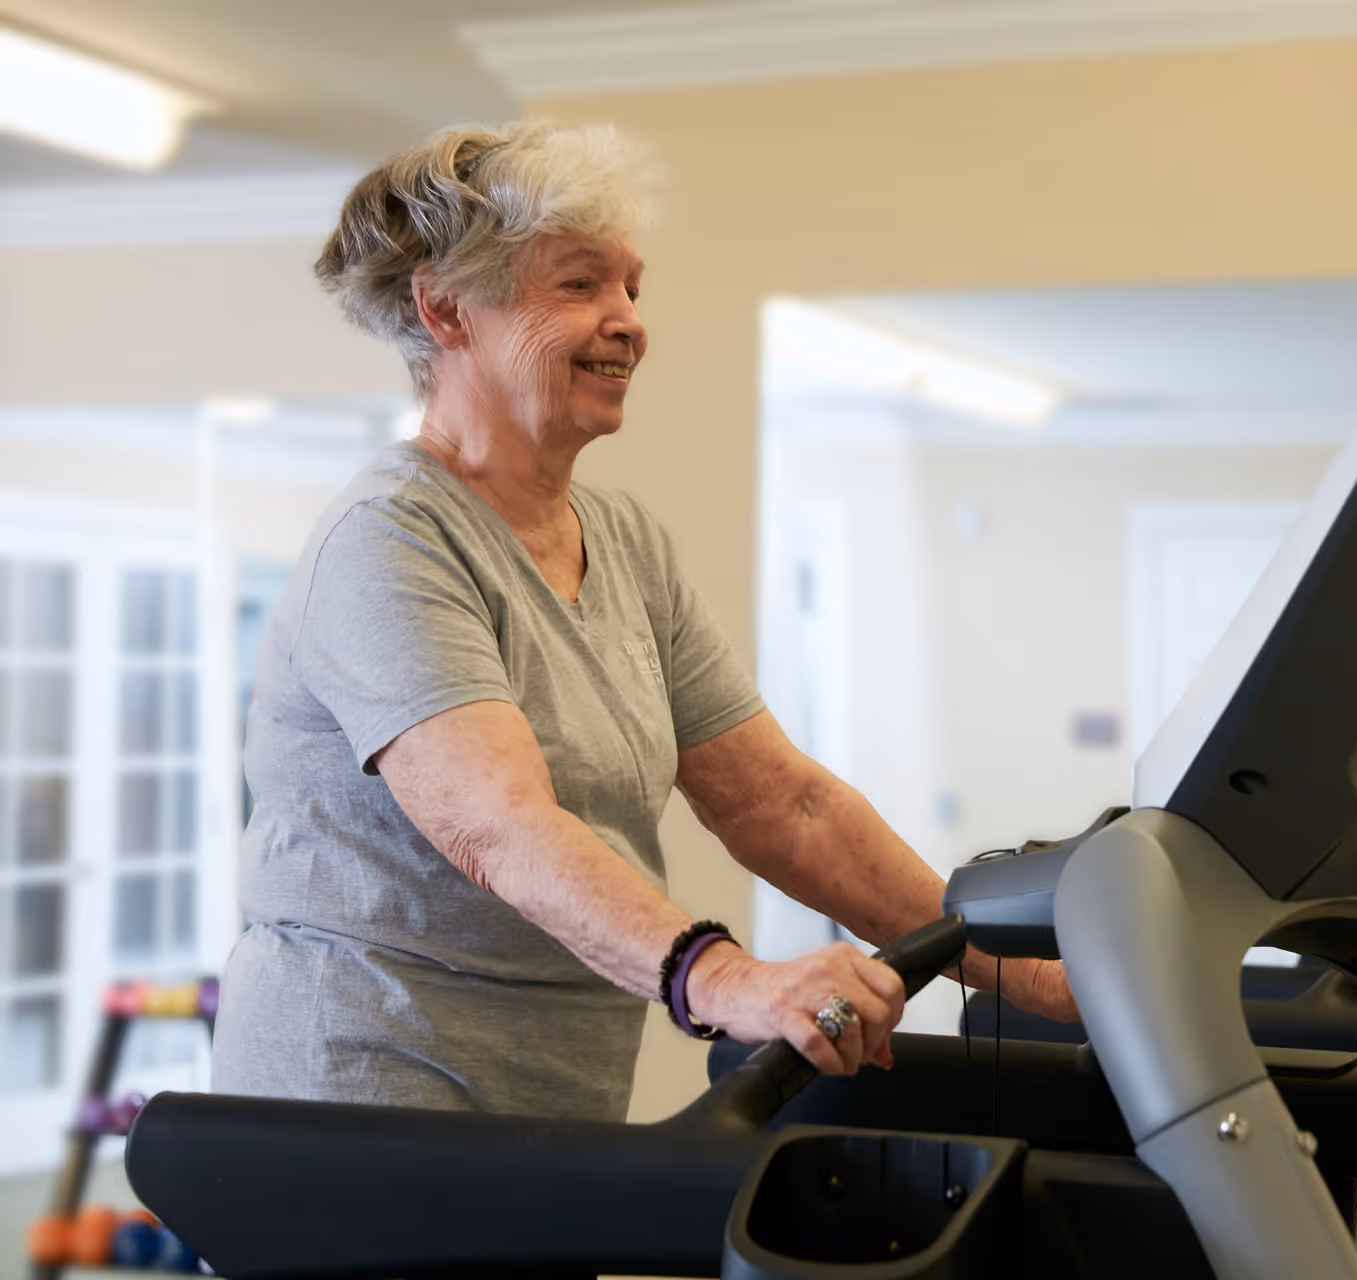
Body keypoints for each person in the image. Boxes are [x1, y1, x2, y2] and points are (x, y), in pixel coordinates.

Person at [212, 121, 1075, 1121]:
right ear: (445, 308)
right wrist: (731, 979)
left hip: (554, 1093)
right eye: (580, 285)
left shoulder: (624, 544)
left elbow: (781, 804)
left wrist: (1030, 976)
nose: (628, 321)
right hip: (361, 1095)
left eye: (632, 287)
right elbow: (501, 825)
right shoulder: (386, 541)